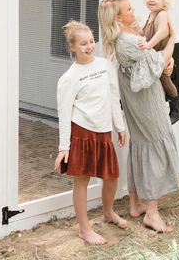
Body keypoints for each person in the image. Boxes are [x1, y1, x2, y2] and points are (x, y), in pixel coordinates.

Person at [99, 0, 179, 233]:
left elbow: (156, 61)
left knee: (142, 143)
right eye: (129, 9)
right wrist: (173, 39)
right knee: (155, 141)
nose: (135, 11)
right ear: (118, 17)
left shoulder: (127, 36)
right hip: (145, 100)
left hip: (136, 97)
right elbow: (157, 60)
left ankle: (136, 203)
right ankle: (152, 213)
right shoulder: (127, 41)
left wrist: (167, 59)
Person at [55, 20, 128, 245]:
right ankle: (84, 229)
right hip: (82, 131)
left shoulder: (106, 65)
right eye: (83, 44)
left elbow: (114, 97)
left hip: (104, 130)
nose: (89, 47)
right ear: (72, 47)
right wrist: (63, 148)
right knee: (82, 180)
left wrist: (120, 126)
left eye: (91, 42)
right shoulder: (69, 78)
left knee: (112, 175)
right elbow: (64, 114)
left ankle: (108, 212)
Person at [137, 0, 179, 124]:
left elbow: (162, 32)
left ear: (165, 2)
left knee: (165, 78)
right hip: (155, 54)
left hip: (161, 53)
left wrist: (148, 45)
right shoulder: (150, 15)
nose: (151, 0)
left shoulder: (162, 14)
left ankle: (176, 109)